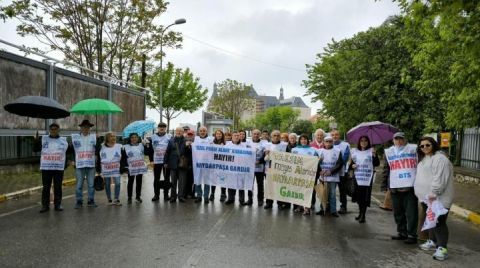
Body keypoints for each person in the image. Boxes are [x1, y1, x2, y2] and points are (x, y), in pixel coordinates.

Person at [415, 137, 454, 261]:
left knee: (439, 222)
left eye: (428, 145)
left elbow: (440, 178)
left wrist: (434, 193)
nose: (425, 147)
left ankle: (442, 248)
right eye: (422, 146)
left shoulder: (440, 159)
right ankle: (432, 241)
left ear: (433, 145)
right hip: (427, 198)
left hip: (438, 198)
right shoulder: (424, 159)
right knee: (431, 219)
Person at [383, 132, 419, 244]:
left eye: (401, 139)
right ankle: (402, 232)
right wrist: (385, 184)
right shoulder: (389, 152)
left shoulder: (413, 149)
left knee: (411, 213)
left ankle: (412, 235)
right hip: (395, 188)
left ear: (405, 140)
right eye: (396, 139)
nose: (398, 141)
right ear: (393, 140)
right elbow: (386, 169)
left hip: (410, 188)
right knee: (398, 212)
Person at [34, 123, 69, 212]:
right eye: (52, 129)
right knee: (46, 187)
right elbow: (35, 149)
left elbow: (69, 151)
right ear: (49, 130)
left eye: (55, 129)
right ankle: (45, 206)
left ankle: (58, 205)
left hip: (58, 168)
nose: (53, 131)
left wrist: (67, 163)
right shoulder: (43, 139)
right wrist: (36, 140)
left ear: (58, 130)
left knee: (58, 187)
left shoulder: (64, 140)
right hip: (46, 168)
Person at [350, 136, 379, 223]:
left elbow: (376, 163)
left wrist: (374, 155)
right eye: (361, 141)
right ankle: (360, 213)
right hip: (358, 177)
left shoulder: (372, 151)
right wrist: (352, 166)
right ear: (359, 142)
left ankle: (363, 215)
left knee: (365, 197)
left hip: (367, 178)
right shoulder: (355, 152)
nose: (363, 142)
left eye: (365, 141)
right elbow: (351, 165)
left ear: (368, 142)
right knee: (359, 197)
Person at [72, 119, 99, 209]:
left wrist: (98, 141)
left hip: (91, 165)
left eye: (87, 127)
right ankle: (79, 201)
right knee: (79, 185)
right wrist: (72, 160)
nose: (86, 128)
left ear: (90, 128)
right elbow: (71, 150)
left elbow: (98, 151)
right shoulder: (75, 138)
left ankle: (91, 200)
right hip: (79, 165)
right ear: (81, 128)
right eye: (84, 127)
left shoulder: (94, 137)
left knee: (91, 184)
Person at [291, 134, 318, 215]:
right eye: (302, 139)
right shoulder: (294, 150)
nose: (303, 141)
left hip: (308, 175)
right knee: (298, 190)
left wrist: (319, 160)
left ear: (308, 140)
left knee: (308, 191)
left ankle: (307, 208)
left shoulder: (313, 150)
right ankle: (299, 207)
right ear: (299, 141)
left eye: (305, 139)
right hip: (297, 173)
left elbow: (316, 161)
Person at [317, 135, 343, 217]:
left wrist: (330, 171)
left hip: (333, 177)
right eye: (326, 141)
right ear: (324, 142)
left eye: (330, 141)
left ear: (332, 142)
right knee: (322, 193)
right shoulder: (319, 151)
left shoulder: (337, 151)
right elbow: (316, 163)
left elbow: (339, 164)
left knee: (332, 194)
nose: (328, 143)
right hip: (323, 176)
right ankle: (322, 209)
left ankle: (333, 210)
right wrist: (319, 171)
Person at [97, 132, 123, 206]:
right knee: (107, 184)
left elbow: (123, 157)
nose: (113, 137)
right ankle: (109, 199)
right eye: (111, 136)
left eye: (114, 136)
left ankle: (116, 199)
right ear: (107, 138)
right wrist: (98, 169)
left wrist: (123, 167)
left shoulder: (119, 146)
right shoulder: (102, 147)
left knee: (117, 183)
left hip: (116, 169)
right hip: (106, 169)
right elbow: (98, 158)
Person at [147, 122, 171, 202]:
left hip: (166, 162)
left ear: (166, 128)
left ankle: (166, 195)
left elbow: (171, 149)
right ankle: (156, 195)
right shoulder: (153, 137)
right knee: (156, 179)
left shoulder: (169, 136)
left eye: (163, 127)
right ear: (158, 128)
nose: (162, 128)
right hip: (156, 161)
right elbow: (150, 150)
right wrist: (151, 160)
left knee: (166, 178)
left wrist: (168, 160)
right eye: (160, 127)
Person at [264, 130, 288, 209]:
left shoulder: (285, 145)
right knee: (269, 187)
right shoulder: (267, 145)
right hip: (269, 169)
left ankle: (280, 203)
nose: (276, 137)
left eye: (278, 135)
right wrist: (266, 154)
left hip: (280, 170)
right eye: (274, 135)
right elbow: (264, 158)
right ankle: (269, 203)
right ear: (271, 137)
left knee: (279, 187)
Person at [122, 133, 148, 204]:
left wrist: (146, 145)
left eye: (136, 137)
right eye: (132, 137)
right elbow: (124, 158)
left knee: (139, 182)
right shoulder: (126, 146)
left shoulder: (141, 145)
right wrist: (125, 167)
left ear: (138, 138)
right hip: (131, 167)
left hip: (140, 166)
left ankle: (138, 197)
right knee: (130, 182)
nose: (134, 139)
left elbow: (147, 153)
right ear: (130, 138)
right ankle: (129, 197)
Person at [164, 127, 188, 203]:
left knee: (182, 181)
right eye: (177, 131)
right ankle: (173, 197)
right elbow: (167, 152)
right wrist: (165, 162)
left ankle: (180, 196)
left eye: (180, 131)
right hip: (172, 163)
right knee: (173, 181)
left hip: (182, 164)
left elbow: (189, 153)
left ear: (182, 132)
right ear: (175, 132)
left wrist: (188, 147)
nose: (179, 132)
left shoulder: (186, 141)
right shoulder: (171, 140)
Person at [331, 129, 351, 214]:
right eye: (333, 135)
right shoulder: (328, 143)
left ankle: (343, 207)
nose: (334, 136)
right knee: (331, 191)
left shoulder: (345, 145)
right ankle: (330, 207)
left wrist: (335, 168)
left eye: (336, 134)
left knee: (342, 191)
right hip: (331, 173)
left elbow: (345, 159)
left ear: (339, 135)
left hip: (342, 172)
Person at [192, 126, 214, 203]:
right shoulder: (195, 139)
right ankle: (199, 196)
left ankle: (206, 197)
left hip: (208, 164)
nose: (202, 132)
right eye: (201, 131)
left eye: (204, 131)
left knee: (207, 181)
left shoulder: (211, 139)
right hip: (197, 164)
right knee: (197, 179)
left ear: (206, 131)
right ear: (199, 132)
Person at [225, 131, 246, 205]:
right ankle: (231, 198)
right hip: (231, 168)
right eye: (235, 135)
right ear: (232, 137)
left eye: (238, 135)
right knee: (231, 184)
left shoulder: (244, 146)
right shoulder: (227, 145)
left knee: (241, 185)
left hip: (241, 168)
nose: (236, 137)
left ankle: (241, 200)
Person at [208, 129, 227, 202]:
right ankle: (212, 194)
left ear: (222, 135)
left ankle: (223, 194)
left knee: (223, 179)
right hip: (214, 165)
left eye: (220, 134)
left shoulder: (226, 144)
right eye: (217, 134)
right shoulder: (212, 143)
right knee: (213, 180)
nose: (218, 135)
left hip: (223, 165)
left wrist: (224, 148)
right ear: (215, 135)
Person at [249, 129, 265, 206]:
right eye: (254, 134)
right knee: (249, 184)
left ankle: (260, 200)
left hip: (260, 167)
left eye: (257, 134)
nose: (256, 135)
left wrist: (260, 161)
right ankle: (250, 199)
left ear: (260, 135)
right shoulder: (247, 143)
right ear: (252, 134)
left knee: (260, 184)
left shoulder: (264, 143)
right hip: (250, 168)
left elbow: (266, 155)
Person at [184, 130, 195, 200]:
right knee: (185, 180)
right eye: (189, 135)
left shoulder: (196, 142)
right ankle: (185, 193)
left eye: (191, 135)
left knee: (192, 180)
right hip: (185, 164)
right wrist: (186, 146)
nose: (190, 136)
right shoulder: (184, 142)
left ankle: (192, 193)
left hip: (194, 164)